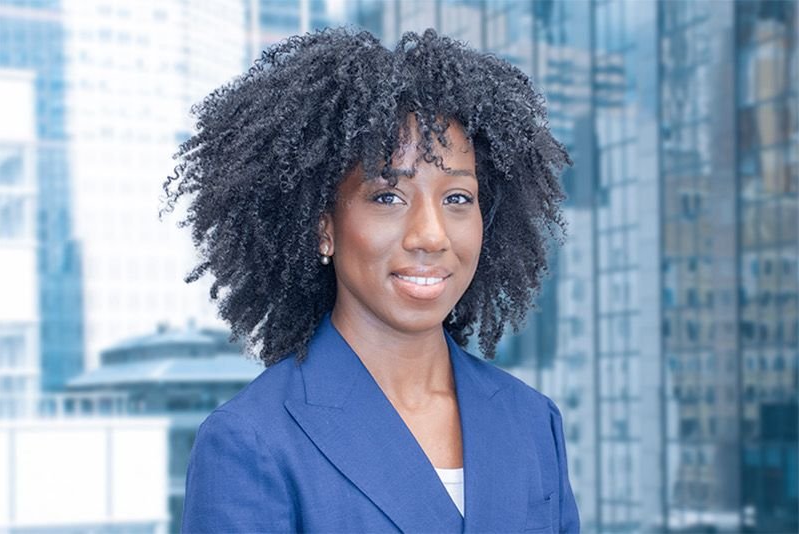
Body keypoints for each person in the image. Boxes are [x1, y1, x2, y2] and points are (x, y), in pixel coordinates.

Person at [162, 25, 580, 533]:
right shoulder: (250, 442)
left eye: (457, 198)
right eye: (388, 197)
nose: (431, 235)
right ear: (324, 227)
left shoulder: (532, 421)